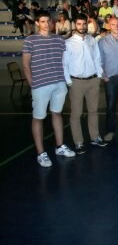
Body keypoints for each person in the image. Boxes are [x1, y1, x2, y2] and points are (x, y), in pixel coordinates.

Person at [22, 10, 76, 167]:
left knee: (57, 114)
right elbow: (26, 64)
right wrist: (33, 83)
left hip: (59, 83)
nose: (47, 24)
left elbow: (65, 61)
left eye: (48, 21)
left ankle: (60, 146)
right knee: (38, 117)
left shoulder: (59, 39)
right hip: (40, 85)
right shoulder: (30, 40)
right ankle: (41, 153)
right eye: (43, 21)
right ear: (37, 23)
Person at [63, 14, 107, 154]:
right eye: (79, 24)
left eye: (84, 24)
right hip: (76, 82)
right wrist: (68, 81)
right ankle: (78, 142)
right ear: (75, 25)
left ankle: (95, 137)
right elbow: (64, 64)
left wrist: (99, 75)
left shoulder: (92, 40)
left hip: (93, 80)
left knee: (93, 111)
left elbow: (97, 58)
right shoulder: (68, 43)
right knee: (76, 113)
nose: (82, 26)